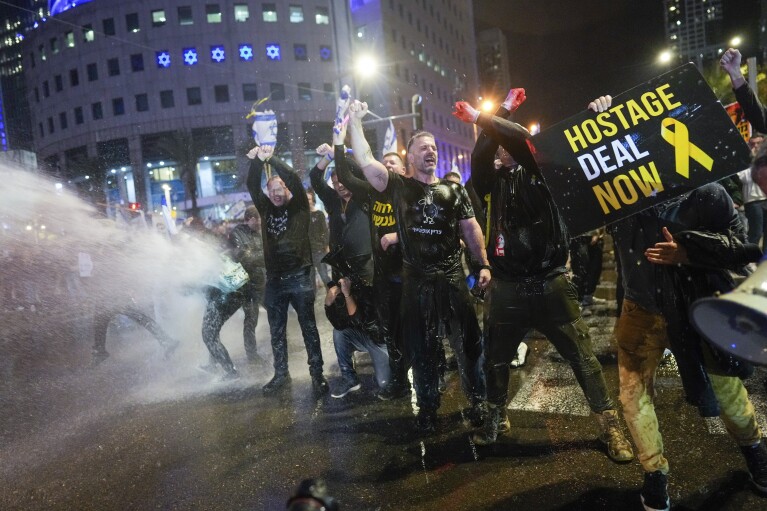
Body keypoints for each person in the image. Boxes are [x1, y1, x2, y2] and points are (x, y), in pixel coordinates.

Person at [591, 94, 767, 511]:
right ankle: (655, 474)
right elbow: (577, 186)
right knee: (633, 397)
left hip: (695, 306)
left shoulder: (706, 191)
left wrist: (689, 251)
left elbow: (742, 245)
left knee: (728, 393)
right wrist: (602, 131)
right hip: (641, 308)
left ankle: (755, 453)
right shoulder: (617, 196)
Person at [452, 88, 634, 465]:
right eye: (498, 143)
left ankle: (609, 425)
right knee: (496, 361)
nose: (503, 148)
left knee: (583, 359)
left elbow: (519, 142)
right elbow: (480, 154)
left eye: (509, 141)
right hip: (507, 288)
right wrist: (494, 116)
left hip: (551, 282)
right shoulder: (488, 184)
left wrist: (489, 118)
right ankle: (495, 417)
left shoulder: (542, 173)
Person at [346, 99, 491, 434]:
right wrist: (355, 121)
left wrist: (481, 263)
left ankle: (478, 401)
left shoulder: (453, 190)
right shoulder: (398, 186)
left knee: (468, 343)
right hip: (417, 281)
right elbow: (365, 160)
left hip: (453, 277)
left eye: (433, 148)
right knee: (423, 349)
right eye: (423, 148)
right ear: (409, 157)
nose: (431, 151)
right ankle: (427, 409)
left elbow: (470, 229)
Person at [332, 135, 412, 401]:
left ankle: (429, 380)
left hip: (411, 275)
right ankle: (399, 380)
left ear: (403, 170)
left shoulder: (412, 191)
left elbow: (424, 227)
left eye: (393, 163)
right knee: (392, 335)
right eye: (384, 162)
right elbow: (346, 172)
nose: (387, 166)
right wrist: (340, 142)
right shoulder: (369, 195)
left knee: (418, 330)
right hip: (384, 278)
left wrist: (397, 237)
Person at [246, 144, 328, 395]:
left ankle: (317, 374)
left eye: (280, 188)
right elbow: (251, 184)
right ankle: (281, 374)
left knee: (308, 328)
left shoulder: (300, 206)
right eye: (272, 190)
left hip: (300, 277)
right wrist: (258, 162)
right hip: (275, 281)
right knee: (276, 331)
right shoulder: (266, 208)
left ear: (287, 189)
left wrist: (273, 158)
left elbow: (293, 176)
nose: (276, 193)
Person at [199, 206, 267, 377]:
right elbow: (244, 256)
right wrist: (265, 255)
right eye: (256, 219)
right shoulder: (238, 233)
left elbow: (252, 257)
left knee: (250, 323)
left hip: (252, 287)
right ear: (249, 219)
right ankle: (216, 363)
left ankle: (250, 357)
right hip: (237, 286)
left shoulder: (262, 234)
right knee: (213, 329)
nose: (259, 223)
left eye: (260, 219)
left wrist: (260, 256)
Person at [309, 144, 374, 283]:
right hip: (339, 263)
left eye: (343, 181)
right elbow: (314, 177)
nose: (340, 185)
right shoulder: (332, 199)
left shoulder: (362, 194)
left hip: (364, 261)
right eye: (335, 183)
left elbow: (358, 172)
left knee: (367, 301)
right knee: (342, 303)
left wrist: (340, 155)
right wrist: (329, 157)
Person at [325, 276, 390, 398]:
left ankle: (403, 369)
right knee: (340, 333)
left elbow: (358, 318)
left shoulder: (372, 284)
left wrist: (347, 294)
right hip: (366, 338)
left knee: (385, 383)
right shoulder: (346, 283)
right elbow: (339, 324)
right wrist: (328, 303)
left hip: (382, 341)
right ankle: (349, 378)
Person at [306, 189, 332, 287]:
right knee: (311, 280)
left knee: (325, 276)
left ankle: (332, 295)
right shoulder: (303, 216)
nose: (307, 201)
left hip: (320, 251)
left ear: (312, 200)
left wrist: (326, 245)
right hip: (308, 253)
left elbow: (325, 231)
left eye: (309, 199)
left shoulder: (319, 214)